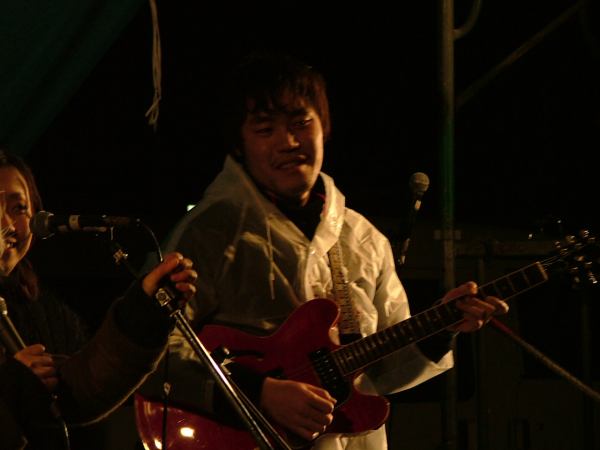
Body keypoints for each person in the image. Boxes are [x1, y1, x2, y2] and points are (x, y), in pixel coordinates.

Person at [139, 52, 509, 450]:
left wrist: (441, 329)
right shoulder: (207, 234)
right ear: (239, 144)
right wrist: (257, 391)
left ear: (324, 128)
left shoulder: (363, 239)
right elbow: (145, 352)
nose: (289, 142)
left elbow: (384, 372)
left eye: (302, 123)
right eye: (265, 129)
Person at [0, 148, 198, 449]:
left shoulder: (36, 308)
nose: (7, 224)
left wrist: (145, 309)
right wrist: (14, 387)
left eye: (19, 208)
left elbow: (77, 389)